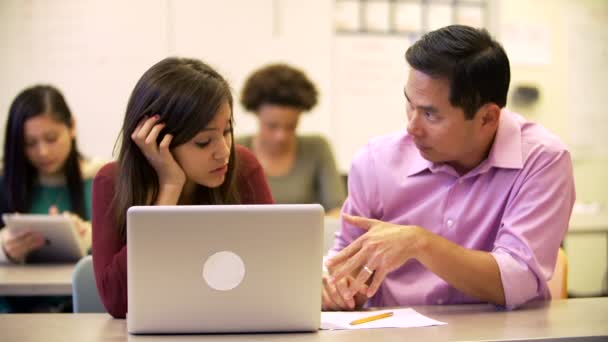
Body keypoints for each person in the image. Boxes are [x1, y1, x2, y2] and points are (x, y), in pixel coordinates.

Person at [323, 25, 576, 311]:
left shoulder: (542, 160)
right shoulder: (375, 161)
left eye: (430, 114)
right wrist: (339, 288)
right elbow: (343, 267)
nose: (412, 127)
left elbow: (518, 279)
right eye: (410, 105)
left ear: (487, 118)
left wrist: (420, 243)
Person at [92, 57, 275, 318]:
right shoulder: (112, 182)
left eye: (227, 131)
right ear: (156, 140)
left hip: (234, 324)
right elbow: (119, 302)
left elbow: (275, 271)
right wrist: (169, 188)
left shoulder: (244, 166)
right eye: (203, 142)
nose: (223, 152)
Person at [0, 84, 102, 312]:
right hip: (15, 313)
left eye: (51, 138)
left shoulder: (100, 178)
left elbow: (126, 247)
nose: (43, 152)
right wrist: (4, 249)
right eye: (29, 143)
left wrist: (87, 237)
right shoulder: (5, 181)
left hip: (83, 309)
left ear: (72, 127)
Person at [237, 64, 345, 215]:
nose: (281, 136)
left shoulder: (317, 148)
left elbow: (337, 210)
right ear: (256, 113)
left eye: (291, 126)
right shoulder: (235, 149)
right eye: (272, 126)